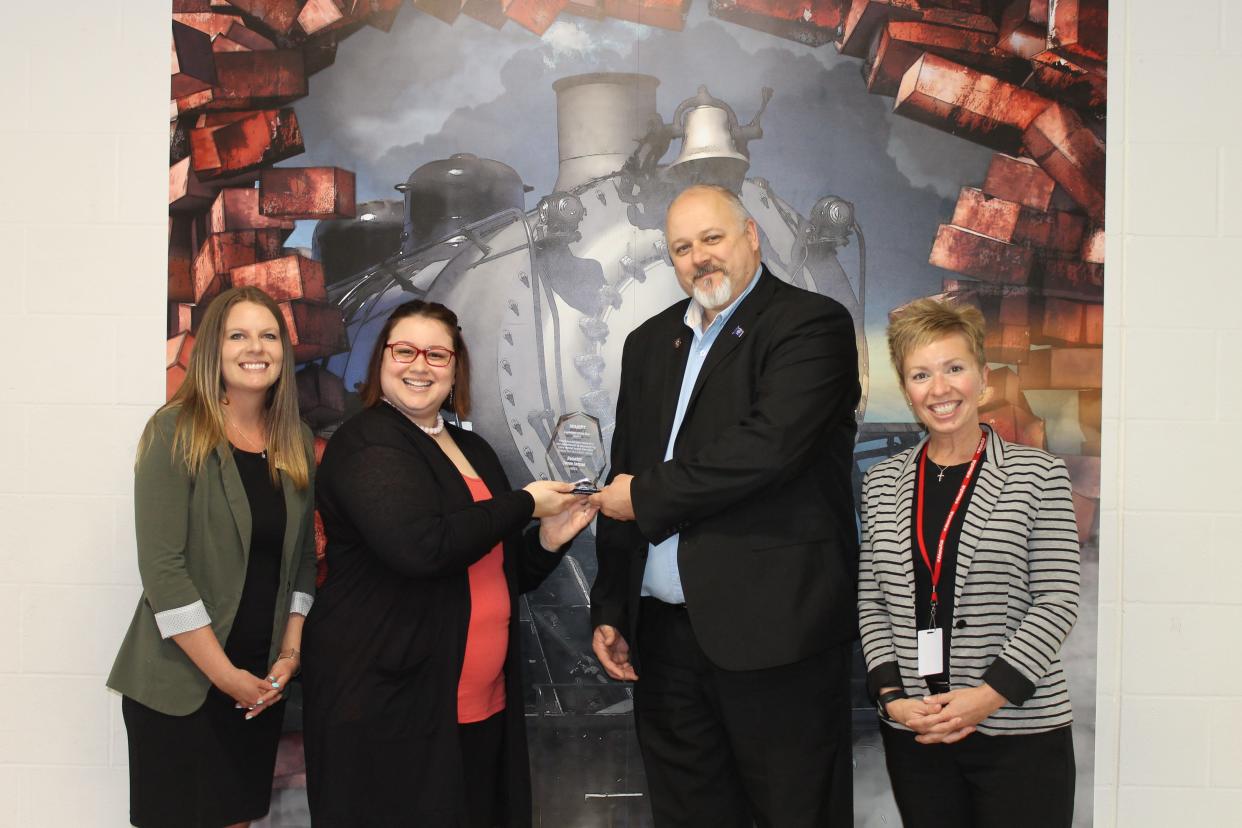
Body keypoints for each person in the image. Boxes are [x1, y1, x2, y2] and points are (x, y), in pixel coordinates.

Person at [588, 184, 862, 827]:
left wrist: (646, 496)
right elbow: (622, 474)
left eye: (712, 238)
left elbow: (767, 449)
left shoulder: (811, 325)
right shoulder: (648, 344)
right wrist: (612, 606)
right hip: (663, 640)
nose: (699, 258)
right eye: (682, 248)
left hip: (776, 637)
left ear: (751, 236)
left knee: (793, 813)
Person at [301, 300, 596, 827]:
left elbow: (502, 570)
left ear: (456, 368)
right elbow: (421, 548)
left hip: (478, 702)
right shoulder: (366, 442)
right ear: (381, 361)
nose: (420, 366)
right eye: (405, 351)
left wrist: (549, 539)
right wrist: (525, 503)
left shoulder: (473, 448)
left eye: (437, 355)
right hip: (389, 706)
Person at [857, 297, 1080, 827]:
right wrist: (892, 699)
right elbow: (873, 605)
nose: (940, 389)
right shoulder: (881, 483)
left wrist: (987, 696)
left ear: (982, 377)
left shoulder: (1039, 475)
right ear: (908, 389)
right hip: (919, 734)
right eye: (921, 374)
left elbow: (1057, 599)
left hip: (1019, 733)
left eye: (954, 368)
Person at [107, 286, 318, 828]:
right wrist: (227, 676)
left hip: (257, 690)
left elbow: (298, 563)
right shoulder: (174, 430)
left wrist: (288, 658)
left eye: (269, 335)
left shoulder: (293, 440)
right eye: (239, 335)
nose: (256, 347)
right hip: (183, 688)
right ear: (214, 350)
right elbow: (163, 572)